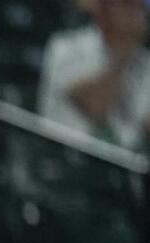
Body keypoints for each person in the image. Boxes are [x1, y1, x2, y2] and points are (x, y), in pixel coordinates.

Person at [39, 0, 150, 149]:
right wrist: (122, 54)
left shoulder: (145, 63)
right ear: (103, 9)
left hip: (124, 165)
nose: (137, 14)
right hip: (66, 158)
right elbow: (95, 107)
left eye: (140, 7)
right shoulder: (67, 47)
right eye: (127, 5)